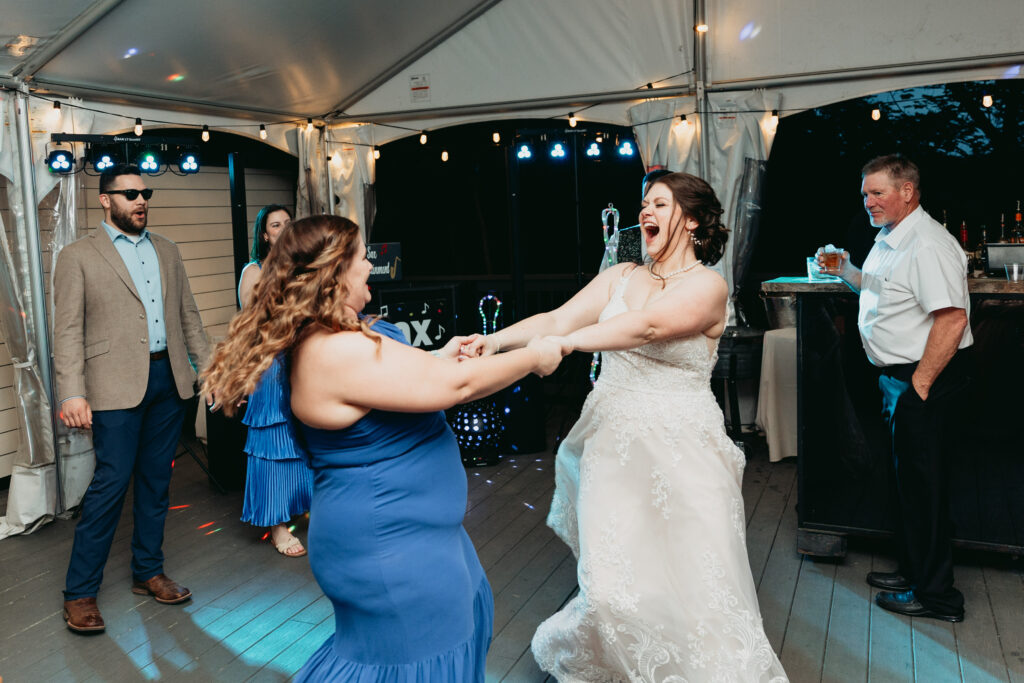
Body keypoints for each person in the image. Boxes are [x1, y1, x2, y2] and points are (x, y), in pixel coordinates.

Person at [200, 215, 562, 681]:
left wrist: (438, 355)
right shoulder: (329, 349)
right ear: (334, 273)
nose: (370, 265)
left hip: (422, 534)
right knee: (409, 666)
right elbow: (460, 387)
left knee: (456, 633)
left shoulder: (338, 333)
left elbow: (390, 381)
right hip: (387, 546)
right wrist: (534, 357)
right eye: (361, 258)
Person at [463, 172, 788, 681]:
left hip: (684, 448)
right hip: (613, 443)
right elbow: (555, 320)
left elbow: (649, 326)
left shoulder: (709, 284)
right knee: (612, 584)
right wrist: (496, 341)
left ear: (695, 219)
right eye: (644, 204)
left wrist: (570, 347)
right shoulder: (619, 276)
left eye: (660, 202)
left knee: (695, 579)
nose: (646, 212)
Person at [54, 164, 210, 634]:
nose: (140, 201)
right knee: (111, 484)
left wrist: (211, 369)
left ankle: (148, 571)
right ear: (105, 200)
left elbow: (189, 317)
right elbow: (66, 331)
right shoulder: (77, 255)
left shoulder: (168, 249)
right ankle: (79, 592)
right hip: (112, 386)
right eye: (129, 194)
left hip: (168, 381)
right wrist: (73, 390)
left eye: (145, 193)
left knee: (155, 483)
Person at [816, 154, 972, 622]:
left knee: (924, 489)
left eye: (877, 192)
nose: (868, 201)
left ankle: (938, 597)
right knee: (909, 487)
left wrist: (918, 386)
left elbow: (953, 318)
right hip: (899, 380)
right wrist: (846, 271)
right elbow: (882, 291)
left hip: (921, 379)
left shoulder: (927, 244)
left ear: (907, 191)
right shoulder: (891, 237)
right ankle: (914, 572)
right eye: (865, 193)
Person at [236, 204, 312, 558]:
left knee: (305, 436)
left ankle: (305, 504)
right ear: (264, 235)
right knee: (272, 443)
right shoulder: (254, 270)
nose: (283, 229)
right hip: (271, 365)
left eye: (288, 223)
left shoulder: (304, 267)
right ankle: (278, 526)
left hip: (304, 360)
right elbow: (256, 322)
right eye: (275, 225)